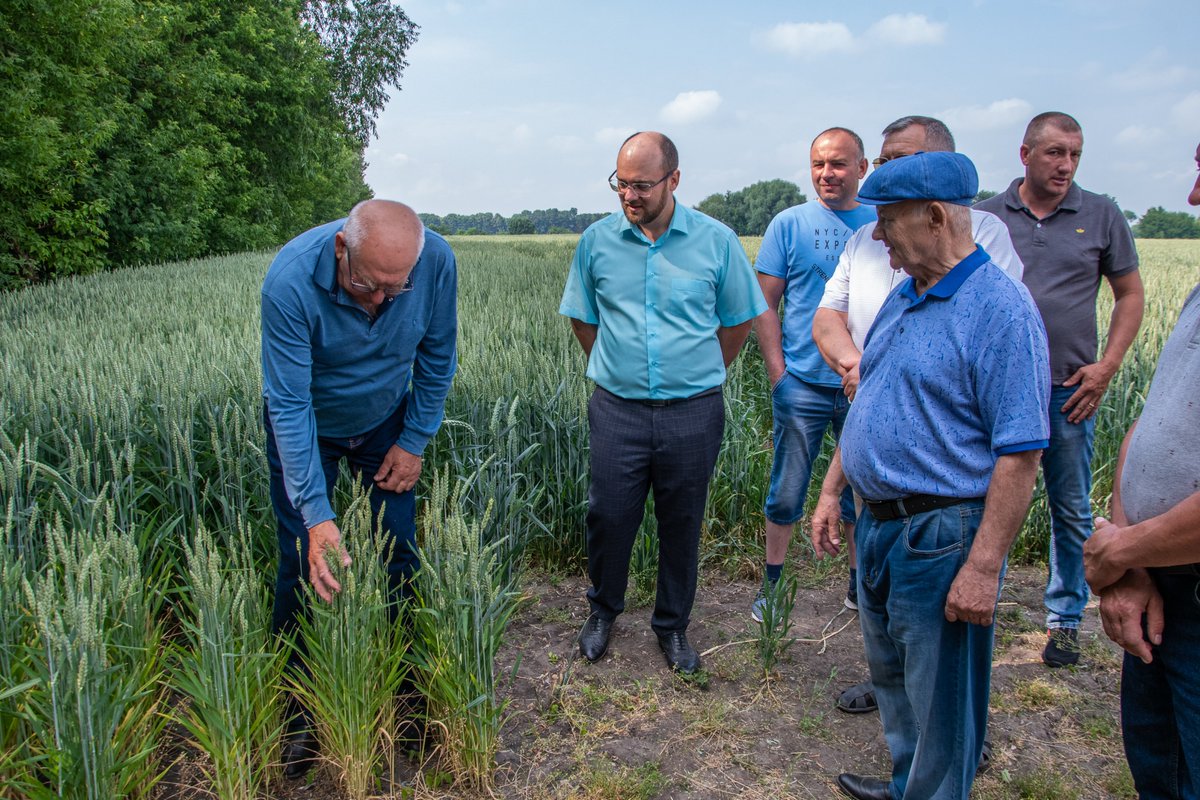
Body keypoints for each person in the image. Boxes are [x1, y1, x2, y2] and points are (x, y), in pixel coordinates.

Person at [810, 151, 1050, 800]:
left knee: (942, 710)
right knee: (895, 684)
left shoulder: (1000, 310)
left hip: (940, 538)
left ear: (937, 216)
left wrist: (982, 568)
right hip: (882, 529)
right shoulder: (906, 295)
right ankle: (904, 786)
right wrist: (835, 488)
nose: (878, 234)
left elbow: (1022, 454)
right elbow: (869, 397)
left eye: (888, 219)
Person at [260, 199, 458, 778]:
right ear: (342, 250)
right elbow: (290, 405)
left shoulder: (436, 262)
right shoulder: (290, 282)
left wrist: (415, 438)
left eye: (396, 292)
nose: (379, 302)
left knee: (400, 554)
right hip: (309, 427)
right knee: (300, 561)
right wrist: (316, 513)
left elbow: (438, 353)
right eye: (369, 286)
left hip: (387, 422)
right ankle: (297, 710)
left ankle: (407, 695)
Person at [559, 131, 766, 674]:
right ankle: (603, 611)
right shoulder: (596, 242)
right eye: (621, 184)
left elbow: (738, 319)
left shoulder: (716, 242)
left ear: (675, 179)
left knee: (682, 521)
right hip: (617, 410)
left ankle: (672, 626)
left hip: (693, 412)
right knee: (608, 515)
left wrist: (697, 372)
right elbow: (583, 318)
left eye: (642, 186)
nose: (630, 196)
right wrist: (617, 363)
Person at [977, 112, 1144, 668]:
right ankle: (984, 606)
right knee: (987, 499)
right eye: (1054, 153)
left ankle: (1066, 620)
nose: (1065, 165)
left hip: (1070, 390)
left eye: (1075, 154)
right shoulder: (985, 217)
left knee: (1070, 506)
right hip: (997, 392)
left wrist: (1107, 367)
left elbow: (1130, 295)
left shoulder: (1100, 215)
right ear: (1024, 153)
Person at [1082, 143, 1200, 799]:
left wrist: (1123, 549)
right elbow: (1146, 428)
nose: (1191, 197)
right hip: (1165, 587)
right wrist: (1132, 565)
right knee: (1161, 771)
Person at [750, 127, 875, 623]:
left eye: (839, 164)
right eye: (819, 164)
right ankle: (773, 588)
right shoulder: (789, 224)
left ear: (862, 168)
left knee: (862, 490)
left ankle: (858, 587)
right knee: (787, 488)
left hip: (863, 387)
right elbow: (765, 303)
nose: (827, 173)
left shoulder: (881, 222)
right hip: (802, 384)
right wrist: (779, 373)